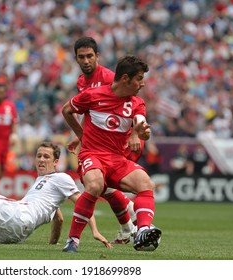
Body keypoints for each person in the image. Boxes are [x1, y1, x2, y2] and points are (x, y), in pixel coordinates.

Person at [61, 54, 162, 252]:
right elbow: (66, 110)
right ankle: (73, 240)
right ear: (125, 78)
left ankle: (141, 230)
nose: (142, 84)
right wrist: (81, 135)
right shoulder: (93, 95)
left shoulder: (136, 103)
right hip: (92, 155)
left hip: (116, 159)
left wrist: (138, 133)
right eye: (139, 78)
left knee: (146, 184)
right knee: (95, 185)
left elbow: (142, 126)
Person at [68, 36, 143, 244]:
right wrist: (79, 136)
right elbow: (89, 112)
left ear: (97, 56)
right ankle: (128, 225)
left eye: (89, 56)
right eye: (81, 57)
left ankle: (130, 219)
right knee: (99, 185)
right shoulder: (82, 82)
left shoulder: (110, 78)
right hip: (99, 141)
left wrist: (135, 133)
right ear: (76, 59)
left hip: (120, 141)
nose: (86, 61)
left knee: (100, 184)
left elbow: (134, 104)